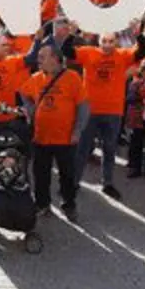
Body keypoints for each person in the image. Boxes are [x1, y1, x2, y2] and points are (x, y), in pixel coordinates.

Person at [72, 29, 145, 200]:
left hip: (113, 110)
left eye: (111, 41)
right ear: (98, 41)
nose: (107, 45)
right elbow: (67, 52)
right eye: (104, 41)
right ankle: (74, 182)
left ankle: (107, 182)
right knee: (83, 149)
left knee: (109, 148)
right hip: (90, 110)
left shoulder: (122, 55)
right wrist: (71, 32)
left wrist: (138, 33)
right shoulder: (88, 52)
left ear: (116, 42)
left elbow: (143, 51)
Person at [19, 44, 88, 222]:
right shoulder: (35, 78)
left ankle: (69, 204)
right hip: (40, 137)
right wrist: (30, 109)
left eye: (42, 56)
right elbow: (23, 93)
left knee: (67, 175)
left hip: (65, 138)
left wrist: (77, 130)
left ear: (55, 59)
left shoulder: (72, 78)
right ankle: (42, 204)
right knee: (41, 174)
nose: (38, 60)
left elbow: (83, 107)